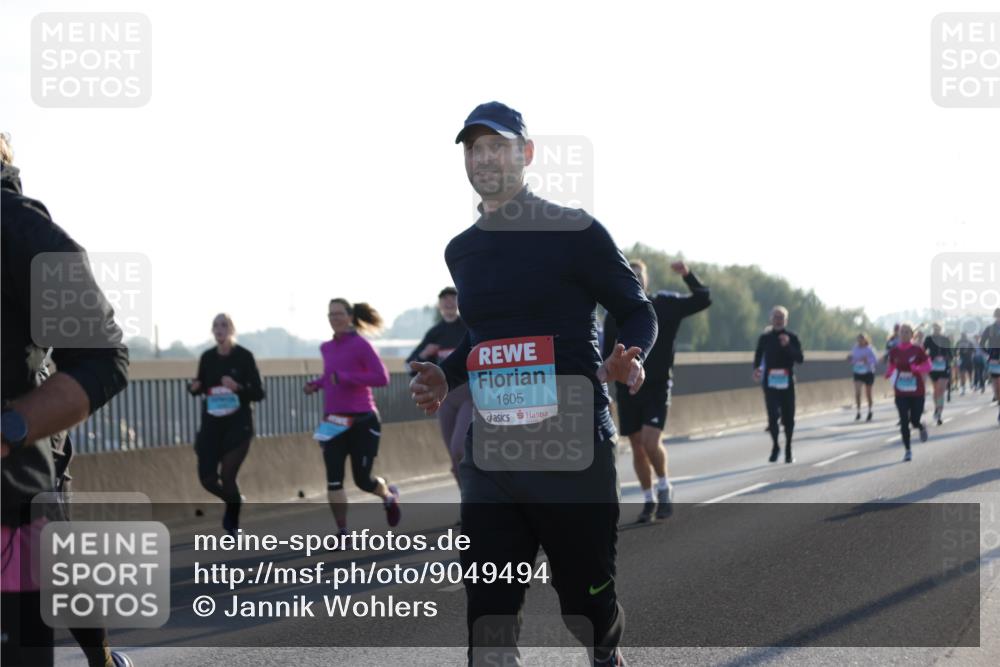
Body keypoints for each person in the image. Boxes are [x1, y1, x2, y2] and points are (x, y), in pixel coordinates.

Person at [409, 101, 657, 667]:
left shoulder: (575, 232)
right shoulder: (462, 250)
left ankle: (606, 646)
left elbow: (636, 308)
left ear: (526, 154)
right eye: (474, 149)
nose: (484, 158)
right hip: (493, 450)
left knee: (584, 607)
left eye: (497, 146)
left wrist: (631, 354)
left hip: (570, 444)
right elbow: (485, 337)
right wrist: (446, 375)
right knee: (488, 626)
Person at [2, 137, 132, 667]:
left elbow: (105, 358)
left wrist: (10, 427)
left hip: (15, 487)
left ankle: (99, 656)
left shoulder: (19, 229)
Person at [602, 258, 711, 522]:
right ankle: (648, 499)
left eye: (640, 274)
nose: (636, 278)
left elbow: (702, 299)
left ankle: (664, 486)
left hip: (658, 384)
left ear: (647, 280)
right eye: (631, 274)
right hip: (627, 388)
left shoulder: (664, 304)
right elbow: (606, 357)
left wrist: (688, 275)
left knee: (651, 441)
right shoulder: (615, 314)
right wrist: (604, 393)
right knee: (637, 446)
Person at [305, 298, 400, 537]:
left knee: (363, 480)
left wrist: (347, 377)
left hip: (363, 420)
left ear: (349, 316)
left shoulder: (361, 345)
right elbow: (330, 377)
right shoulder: (326, 347)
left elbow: (382, 378)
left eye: (338, 314)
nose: (334, 318)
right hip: (334, 422)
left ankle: (388, 496)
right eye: (330, 315)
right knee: (334, 480)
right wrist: (316, 384)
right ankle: (343, 531)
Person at [188, 313, 265, 536]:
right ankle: (234, 501)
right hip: (212, 425)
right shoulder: (207, 357)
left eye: (224, 325)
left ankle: (232, 523)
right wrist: (193, 388)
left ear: (232, 330)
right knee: (208, 478)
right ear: (212, 331)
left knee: (228, 476)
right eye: (216, 325)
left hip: (238, 425)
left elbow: (259, 393)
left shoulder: (244, 357)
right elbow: (200, 385)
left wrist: (238, 387)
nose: (219, 329)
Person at [406, 287, 473, 489]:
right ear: (439, 305)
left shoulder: (468, 327)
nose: (449, 303)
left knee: (459, 448)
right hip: (444, 399)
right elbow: (410, 365)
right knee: (453, 457)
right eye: (445, 300)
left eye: (453, 299)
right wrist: (425, 355)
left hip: (469, 396)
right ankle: (466, 506)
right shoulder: (435, 332)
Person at [753, 306, 804, 463]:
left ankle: (788, 448)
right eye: (776, 316)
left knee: (789, 417)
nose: (778, 319)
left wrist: (788, 345)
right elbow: (758, 356)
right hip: (770, 381)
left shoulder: (792, 337)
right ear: (771, 319)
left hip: (787, 381)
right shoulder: (765, 338)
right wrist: (756, 370)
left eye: (781, 317)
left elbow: (800, 359)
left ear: (786, 320)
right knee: (772, 416)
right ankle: (776, 446)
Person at [886, 323, 931, 459]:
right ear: (898, 335)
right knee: (903, 420)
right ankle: (907, 450)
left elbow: (928, 365)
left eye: (907, 332)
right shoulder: (894, 351)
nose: (904, 334)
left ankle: (921, 427)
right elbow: (892, 365)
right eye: (902, 332)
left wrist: (916, 369)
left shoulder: (918, 350)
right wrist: (889, 373)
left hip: (917, 391)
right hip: (901, 391)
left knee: (914, 421)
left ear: (912, 335)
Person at [923, 323, 953, 426]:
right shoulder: (929, 339)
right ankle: (937, 408)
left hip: (944, 368)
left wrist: (945, 358)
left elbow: (950, 354)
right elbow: (923, 351)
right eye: (934, 328)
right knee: (936, 391)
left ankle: (939, 413)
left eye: (938, 328)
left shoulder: (945, 339)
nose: (936, 330)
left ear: (941, 329)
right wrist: (929, 357)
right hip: (933, 368)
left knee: (941, 390)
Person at [847, 333, 878, 421]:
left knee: (868, 394)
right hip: (858, 372)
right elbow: (852, 360)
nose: (860, 340)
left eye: (862, 339)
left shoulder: (870, 349)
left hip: (868, 372)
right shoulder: (855, 348)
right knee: (857, 393)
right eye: (858, 339)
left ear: (865, 340)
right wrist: (850, 359)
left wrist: (867, 360)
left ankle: (870, 410)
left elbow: (875, 360)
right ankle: (858, 411)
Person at [980, 308, 1000, 423]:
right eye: (997, 316)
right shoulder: (989, 329)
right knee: (997, 388)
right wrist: (988, 355)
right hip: (993, 362)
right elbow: (982, 343)